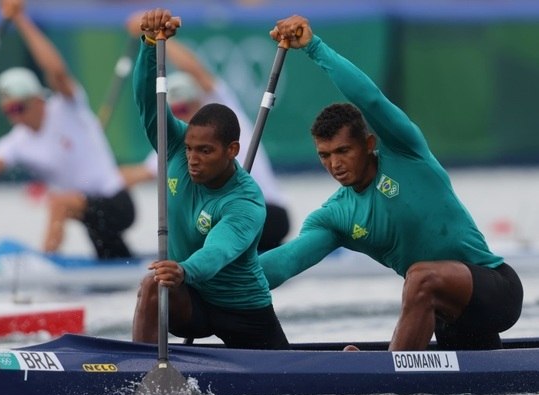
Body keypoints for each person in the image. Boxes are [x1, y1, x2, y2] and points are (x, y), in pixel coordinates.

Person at [261, 15, 523, 351]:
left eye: (343, 151)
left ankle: (387, 375)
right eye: (325, 155)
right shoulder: (335, 216)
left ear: (369, 144)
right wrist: (203, 279)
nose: (335, 164)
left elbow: (370, 100)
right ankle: (389, 368)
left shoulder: (405, 152)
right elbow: (284, 262)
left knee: (420, 277)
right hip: (445, 317)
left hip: (496, 292)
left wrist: (314, 48)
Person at [0, 0, 135, 260]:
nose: (14, 117)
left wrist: (21, 19)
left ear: (38, 99)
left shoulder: (67, 107)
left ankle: (45, 263)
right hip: (90, 212)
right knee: (113, 259)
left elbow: (56, 70)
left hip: (118, 203)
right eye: (8, 111)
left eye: (19, 108)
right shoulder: (17, 142)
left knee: (57, 202)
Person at [130, 8, 289, 350]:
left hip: (243, 310)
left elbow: (217, 251)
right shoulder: (174, 146)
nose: (192, 159)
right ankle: (136, 373)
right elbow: (147, 104)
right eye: (190, 149)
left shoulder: (246, 201)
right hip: (192, 303)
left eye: (205, 151)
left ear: (232, 150)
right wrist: (147, 44)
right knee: (153, 284)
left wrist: (184, 270)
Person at [119, 13, 292, 251]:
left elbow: (195, 70)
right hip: (230, 219)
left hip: (268, 214)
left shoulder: (222, 111)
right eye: (176, 109)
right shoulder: (180, 142)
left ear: (200, 100)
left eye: (187, 106)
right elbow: (130, 176)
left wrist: (159, 37)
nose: (182, 114)